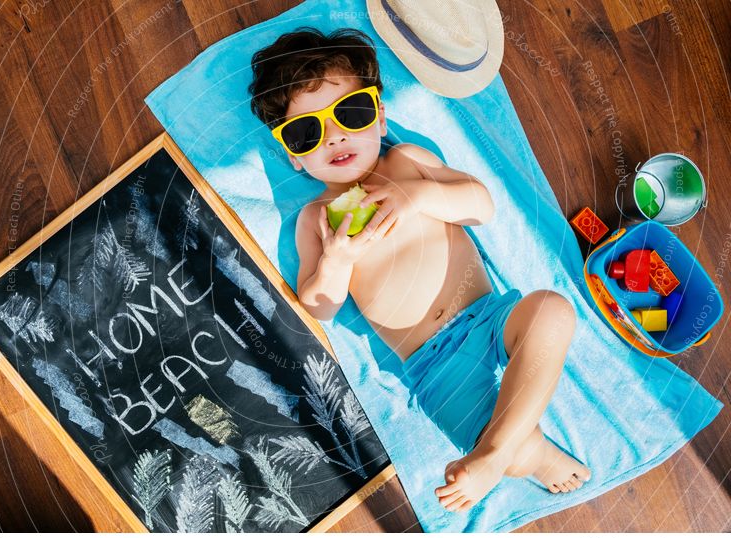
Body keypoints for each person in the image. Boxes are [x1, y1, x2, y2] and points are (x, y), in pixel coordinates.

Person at [248, 27, 590, 513]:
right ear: (294, 157)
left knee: (552, 311)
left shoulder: (408, 161)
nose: (336, 136)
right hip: (433, 366)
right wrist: (336, 262)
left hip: (487, 317)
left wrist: (421, 196)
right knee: (498, 434)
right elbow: (320, 306)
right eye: (307, 133)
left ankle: (501, 450)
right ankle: (516, 452)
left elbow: (481, 206)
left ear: (381, 118)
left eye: (351, 113)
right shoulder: (316, 221)